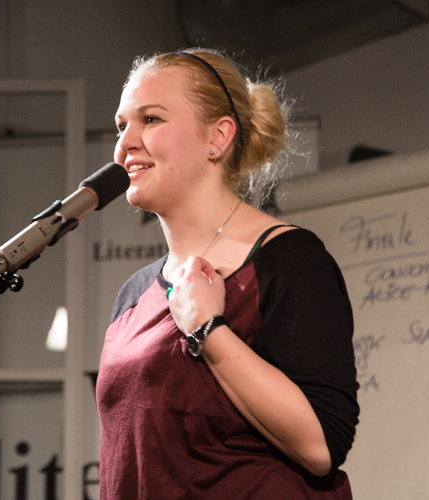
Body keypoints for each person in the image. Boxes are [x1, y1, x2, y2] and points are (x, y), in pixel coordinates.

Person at [96, 48, 359, 499]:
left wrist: (207, 329)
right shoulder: (133, 295)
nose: (126, 143)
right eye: (122, 126)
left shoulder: (288, 260)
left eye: (151, 119)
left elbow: (321, 445)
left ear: (217, 137)